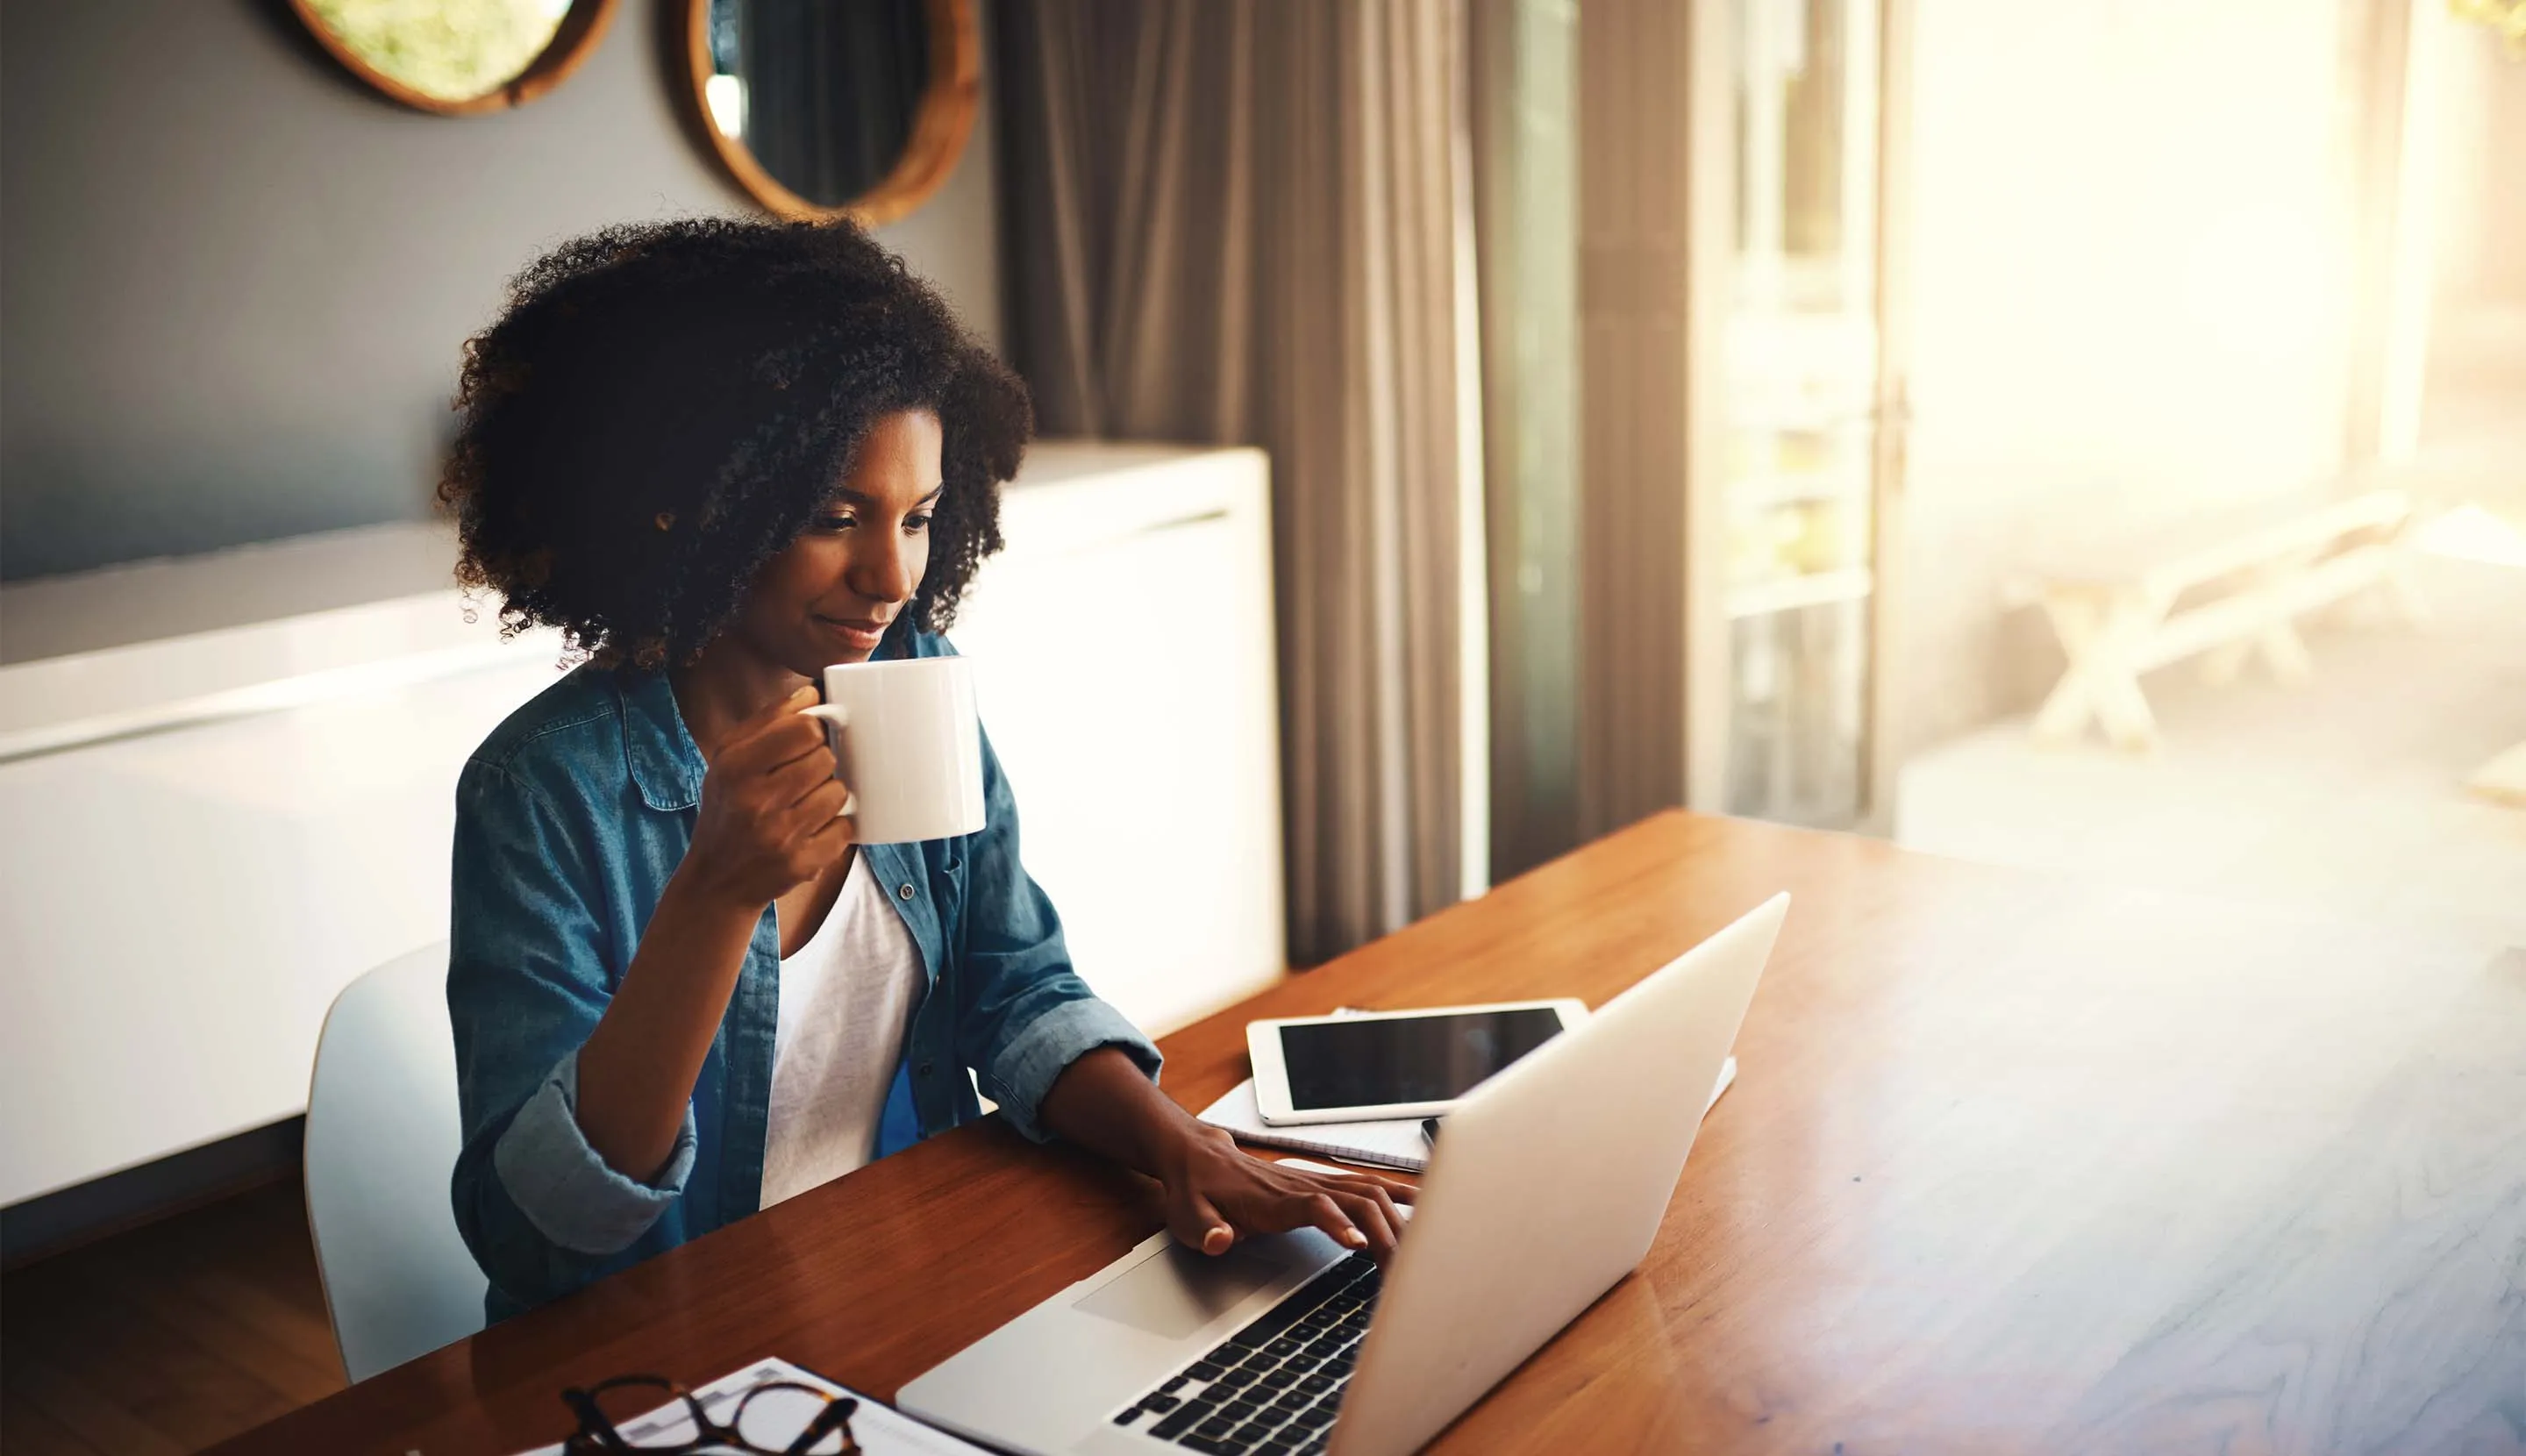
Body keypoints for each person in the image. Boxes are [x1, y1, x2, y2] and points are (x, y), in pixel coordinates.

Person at [439, 218, 1409, 1318]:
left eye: (920, 517)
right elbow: (534, 1242)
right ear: (687, 504)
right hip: (667, 1350)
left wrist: (1184, 1148)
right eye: (835, 517)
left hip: (901, 1281)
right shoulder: (545, 790)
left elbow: (1015, 984)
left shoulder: (911, 676)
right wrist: (714, 892)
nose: (892, 574)